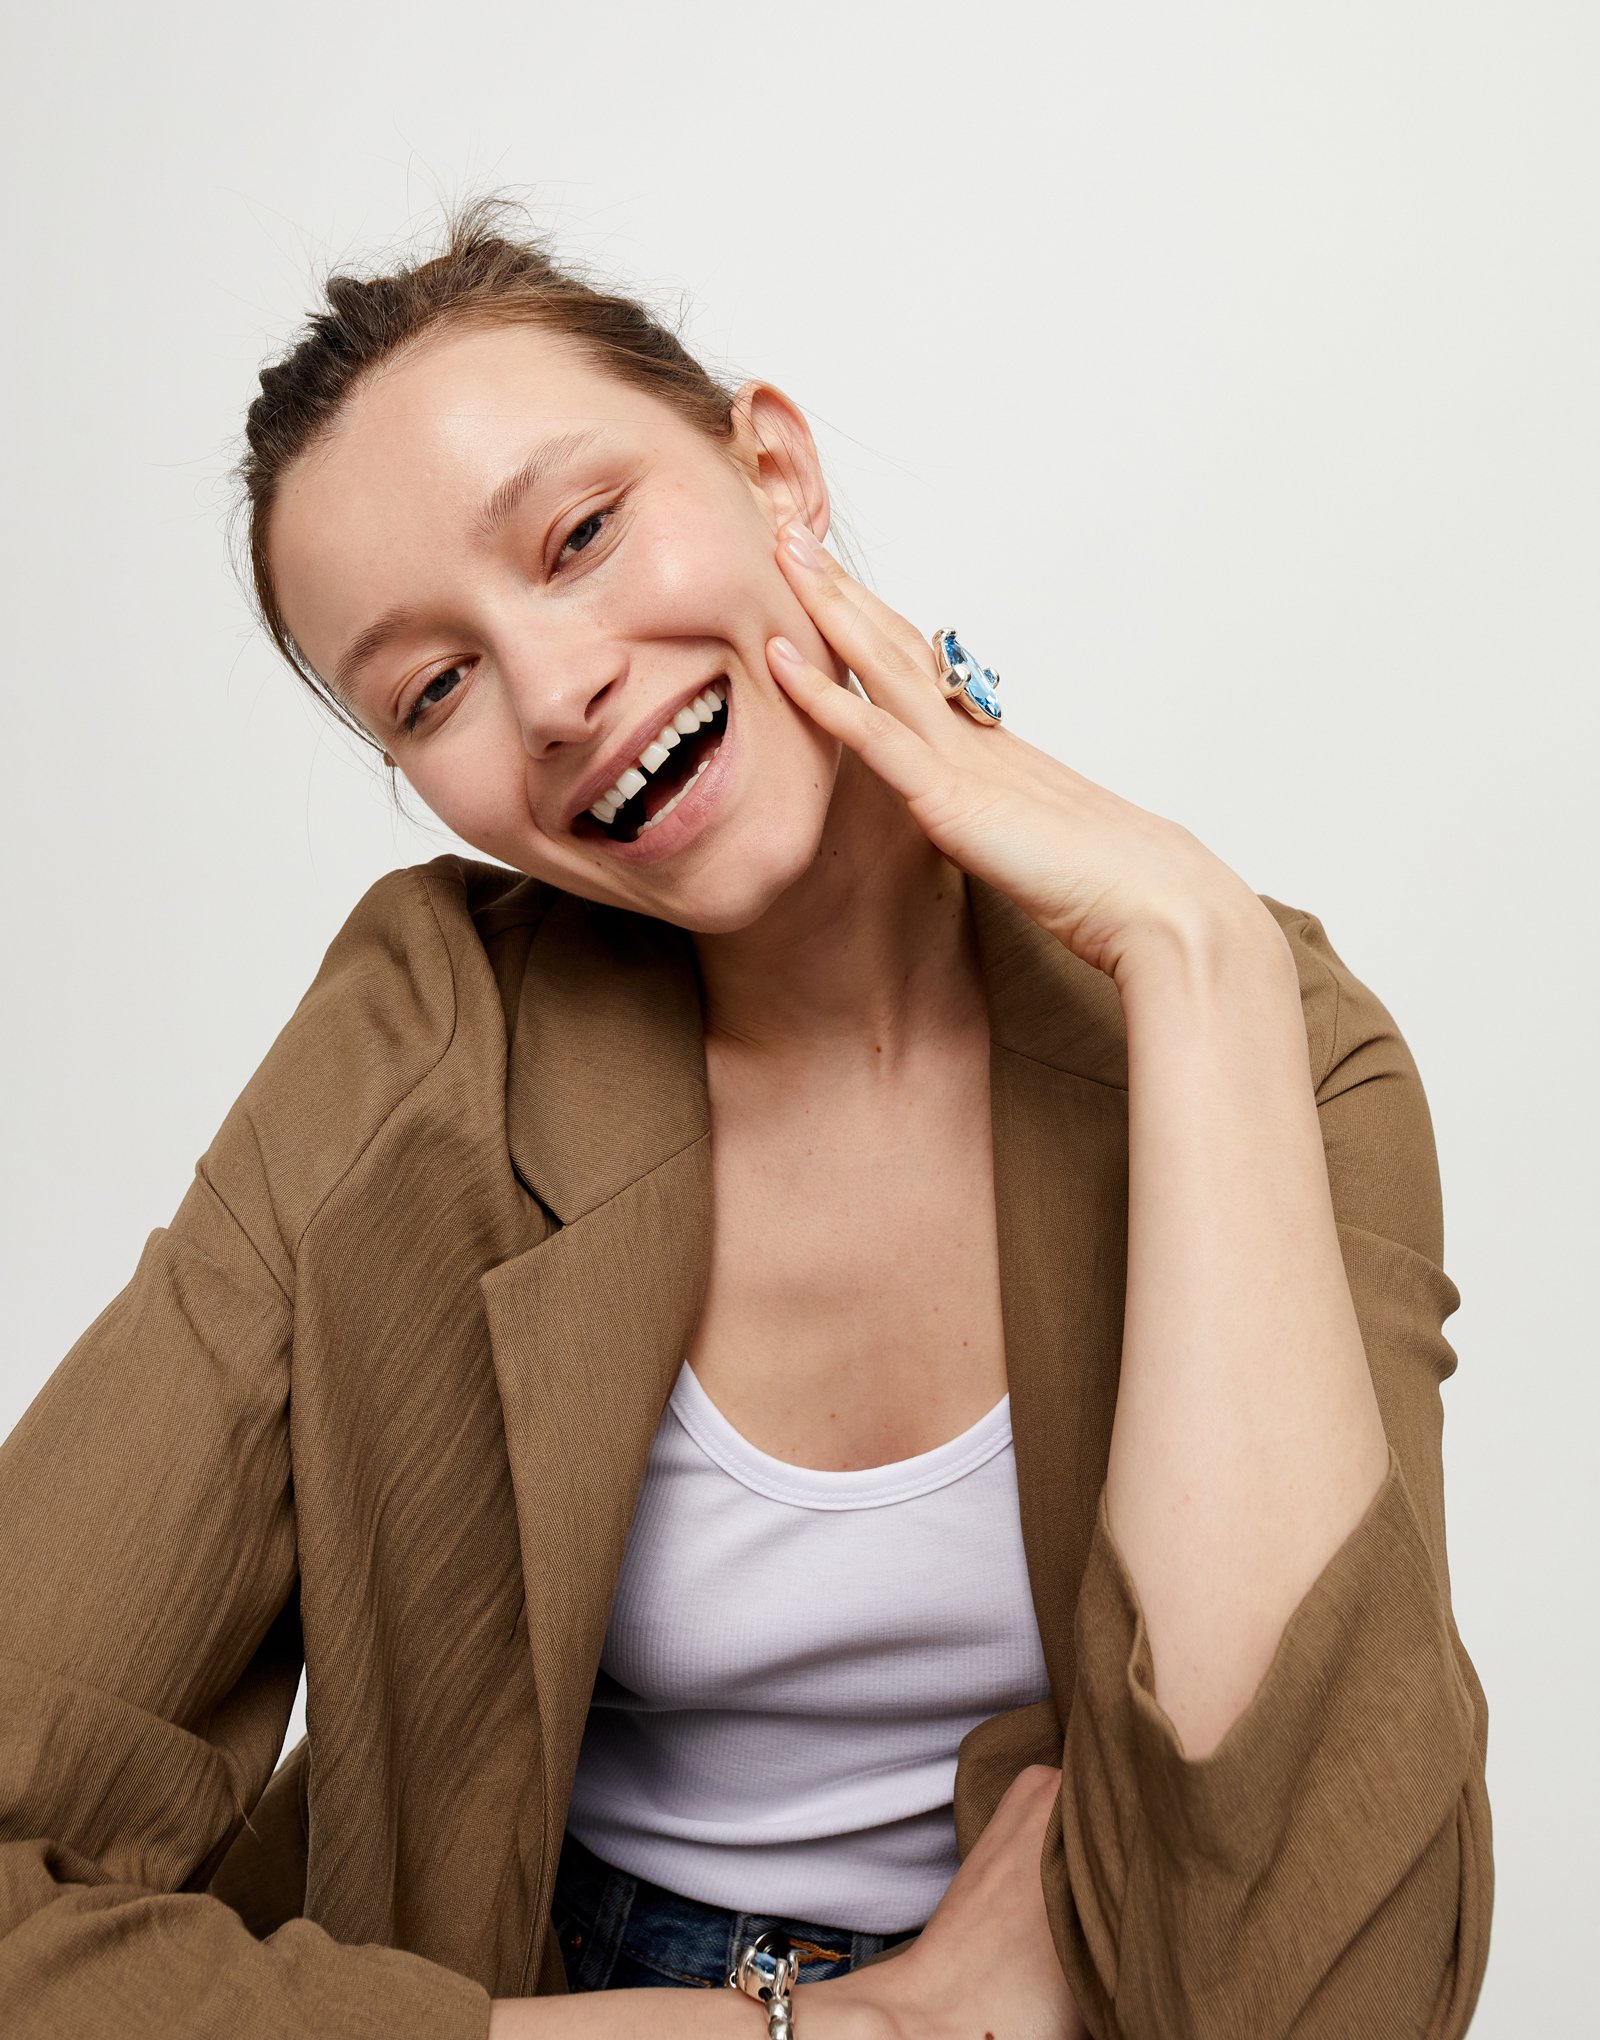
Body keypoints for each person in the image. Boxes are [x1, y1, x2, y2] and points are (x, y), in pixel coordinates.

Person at [0, 193, 1493, 2040]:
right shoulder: (419, 1043)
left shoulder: (1266, 1031)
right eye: (435, 688)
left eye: (580, 533)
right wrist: (825, 2033)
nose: (551, 695)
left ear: (770, 468)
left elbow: (1322, 1987)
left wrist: (1190, 950)